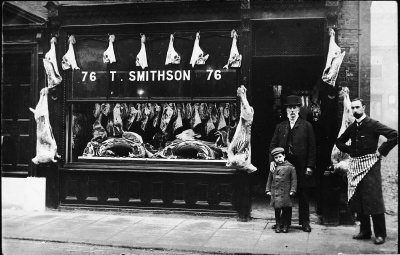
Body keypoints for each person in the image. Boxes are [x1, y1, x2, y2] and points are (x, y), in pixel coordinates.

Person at [336, 98, 397, 245]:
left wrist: (380, 151)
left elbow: (394, 135)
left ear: (364, 107)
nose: (355, 110)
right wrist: (349, 150)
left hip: (371, 166)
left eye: (357, 107)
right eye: (353, 108)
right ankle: (365, 231)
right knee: (360, 199)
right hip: (356, 166)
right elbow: (339, 141)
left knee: (374, 199)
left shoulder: (372, 124)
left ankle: (380, 234)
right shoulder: (352, 127)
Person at [269, 95, 316, 232]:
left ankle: (305, 222)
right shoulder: (280, 127)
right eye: (290, 108)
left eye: (295, 107)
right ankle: (285, 222)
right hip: (284, 166)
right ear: (286, 110)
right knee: (285, 195)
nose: (292, 110)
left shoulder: (307, 126)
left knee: (303, 194)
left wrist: (310, 165)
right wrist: (272, 161)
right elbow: (272, 145)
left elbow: (312, 148)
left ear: (299, 108)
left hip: (301, 166)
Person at [266, 147, 297, 233]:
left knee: (286, 210)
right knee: (277, 209)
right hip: (276, 192)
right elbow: (269, 179)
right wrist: (268, 189)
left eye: (280, 156)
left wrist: (293, 190)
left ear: (284, 156)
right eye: (276, 158)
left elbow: (294, 180)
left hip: (286, 192)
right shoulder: (273, 167)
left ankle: (286, 226)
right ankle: (278, 225)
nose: (278, 159)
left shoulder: (290, 167)